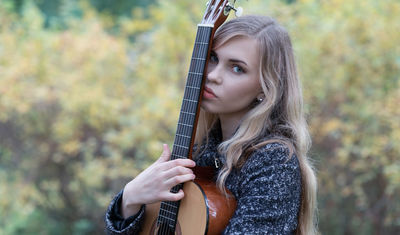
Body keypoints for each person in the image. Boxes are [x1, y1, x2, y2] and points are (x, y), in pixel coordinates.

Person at [105, 15, 318, 234]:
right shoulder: (199, 151)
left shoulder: (274, 162)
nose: (213, 75)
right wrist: (129, 199)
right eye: (213, 58)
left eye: (237, 68)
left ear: (265, 88)